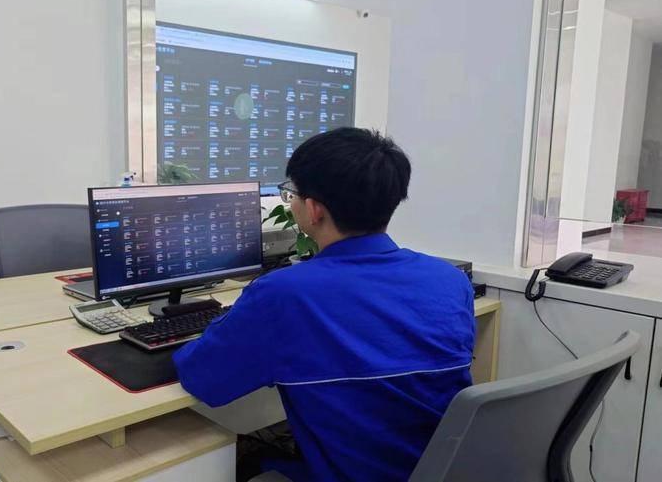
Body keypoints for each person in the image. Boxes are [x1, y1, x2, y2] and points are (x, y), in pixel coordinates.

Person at [173, 128, 475, 481]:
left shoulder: (284, 294)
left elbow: (202, 378)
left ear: (314, 209)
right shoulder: (450, 280)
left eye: (293, 194)